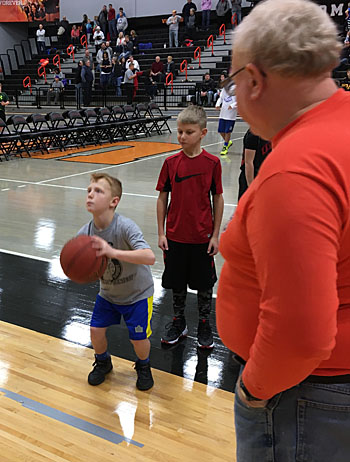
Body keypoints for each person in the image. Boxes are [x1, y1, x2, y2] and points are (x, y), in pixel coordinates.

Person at [215, 1, 350, 461]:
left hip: (304, 397)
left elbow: (300, 333)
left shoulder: (295, 172)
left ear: (254, 80)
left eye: (234, 82)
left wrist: (255, 391)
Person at [77, 173, 155, 390]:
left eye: (98, 191)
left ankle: (144, 366)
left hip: (138, 294)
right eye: (89, 190)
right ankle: (103, 362)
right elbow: (80, 266)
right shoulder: (85, 233)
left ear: (114, 201)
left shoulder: (125, 227)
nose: (91, 194)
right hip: (108, 294)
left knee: (138, 340)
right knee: (95, 331)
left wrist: (113, 251)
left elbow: (150, 257)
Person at [156, 105, 224, 348]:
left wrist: (215, 235)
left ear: (203, 133)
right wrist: (161, 232)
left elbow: (217, 198)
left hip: (202, 237)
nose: (182, 137)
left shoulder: (212, 163)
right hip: (175, 237)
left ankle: (204, 324)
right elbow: (162, 197)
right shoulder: (170, 162)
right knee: (177, 283)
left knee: (205, 284)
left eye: (188, 132)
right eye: (180, 132)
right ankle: (179, 321)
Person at [238, 129, 271, 200]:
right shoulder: (253, 134)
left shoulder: (271, 133)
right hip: (251, 177)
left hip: (264, 178)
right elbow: (248, 162)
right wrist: (251, 187)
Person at [215, 79, 237, 155]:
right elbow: (221, 98)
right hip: (223, 113)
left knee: (228, 131)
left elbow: (239, 100)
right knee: (221, 131)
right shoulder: (224, 89)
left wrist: (232, 105)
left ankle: (225, 146)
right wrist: (218, 104)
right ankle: (228, 142)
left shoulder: (236, 88)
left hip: (231, 115)